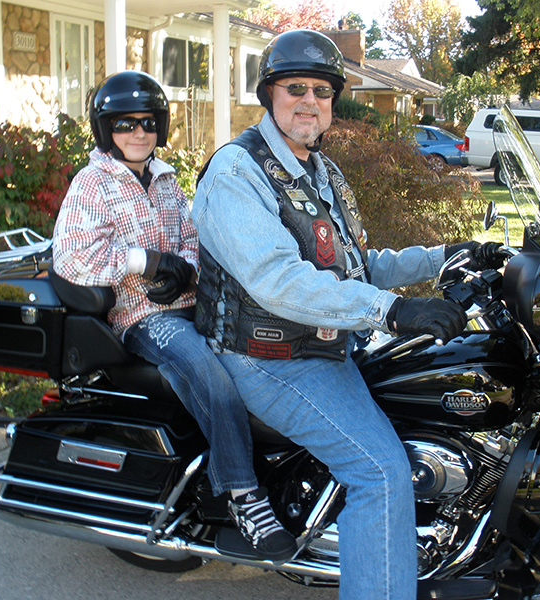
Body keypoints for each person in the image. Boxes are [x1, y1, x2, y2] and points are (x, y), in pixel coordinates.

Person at [191, 30, 504, 599]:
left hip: (323, 343)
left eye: (322, 90)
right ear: (269, 94)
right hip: (267, 355)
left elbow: (356, 264)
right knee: (380, 474)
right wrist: (393, 312)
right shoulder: (238, 172)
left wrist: (445, 255)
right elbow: (278, 281)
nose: (309, 100)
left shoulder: (319, 171)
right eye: (294, 88)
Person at [51, 70, 296, 562]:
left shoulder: (164, 178)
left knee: (267, 353)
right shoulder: (92, 182)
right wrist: (147, 261)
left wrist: (184, 268)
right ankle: (243, 494)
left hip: (190, 305)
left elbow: (192, 234)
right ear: (105, 130)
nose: (137, 133)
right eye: (123, 124)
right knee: (209, 373)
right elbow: (73, 258)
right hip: (140, 316)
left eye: (146, 122)